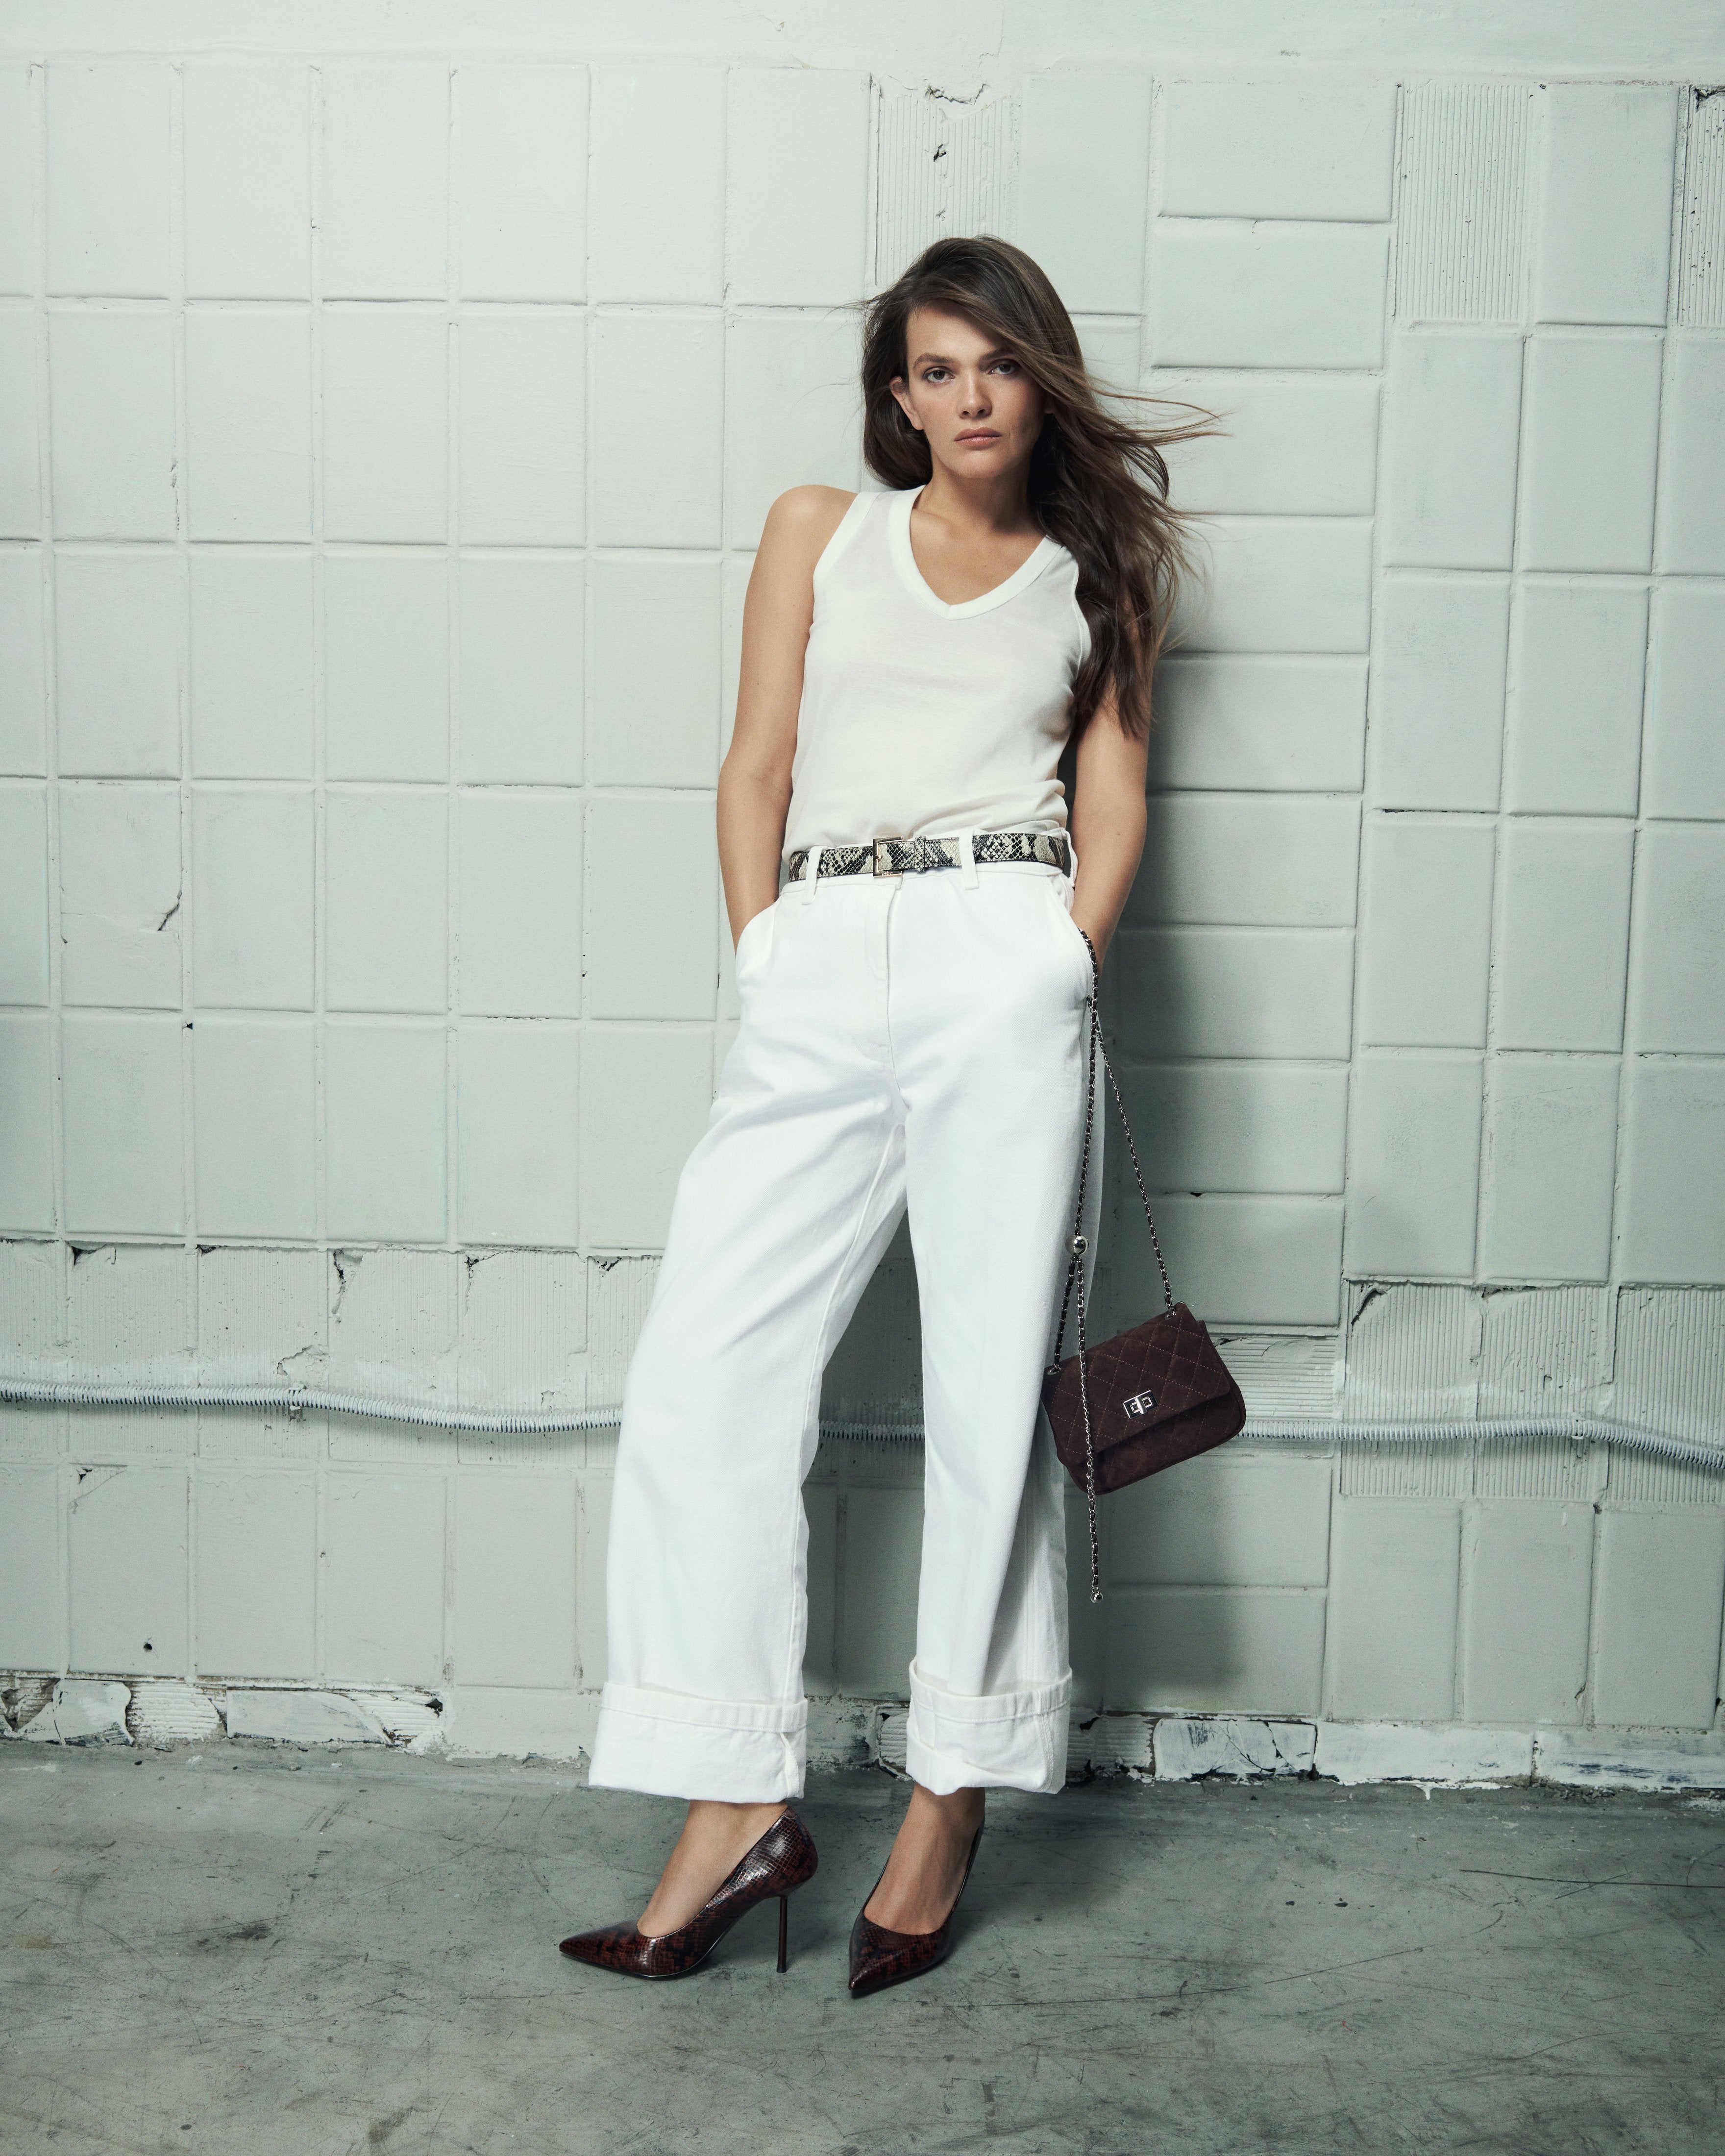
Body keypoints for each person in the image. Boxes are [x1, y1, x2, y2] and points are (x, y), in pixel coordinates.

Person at [559, 235, 1207, 1996]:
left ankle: (948, 1792)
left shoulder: (1097, 568)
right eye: (934, 369)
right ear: (896, 392)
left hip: (1003, 949)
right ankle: (730, 1797)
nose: (968, 396)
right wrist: (768, 950)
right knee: (704, 1371)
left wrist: (1055, 965)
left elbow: (1117, 788)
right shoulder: (815, 533)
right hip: (823, 950)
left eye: (995, 365)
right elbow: (754, 761)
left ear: (1036, 376)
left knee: (989, 1389)